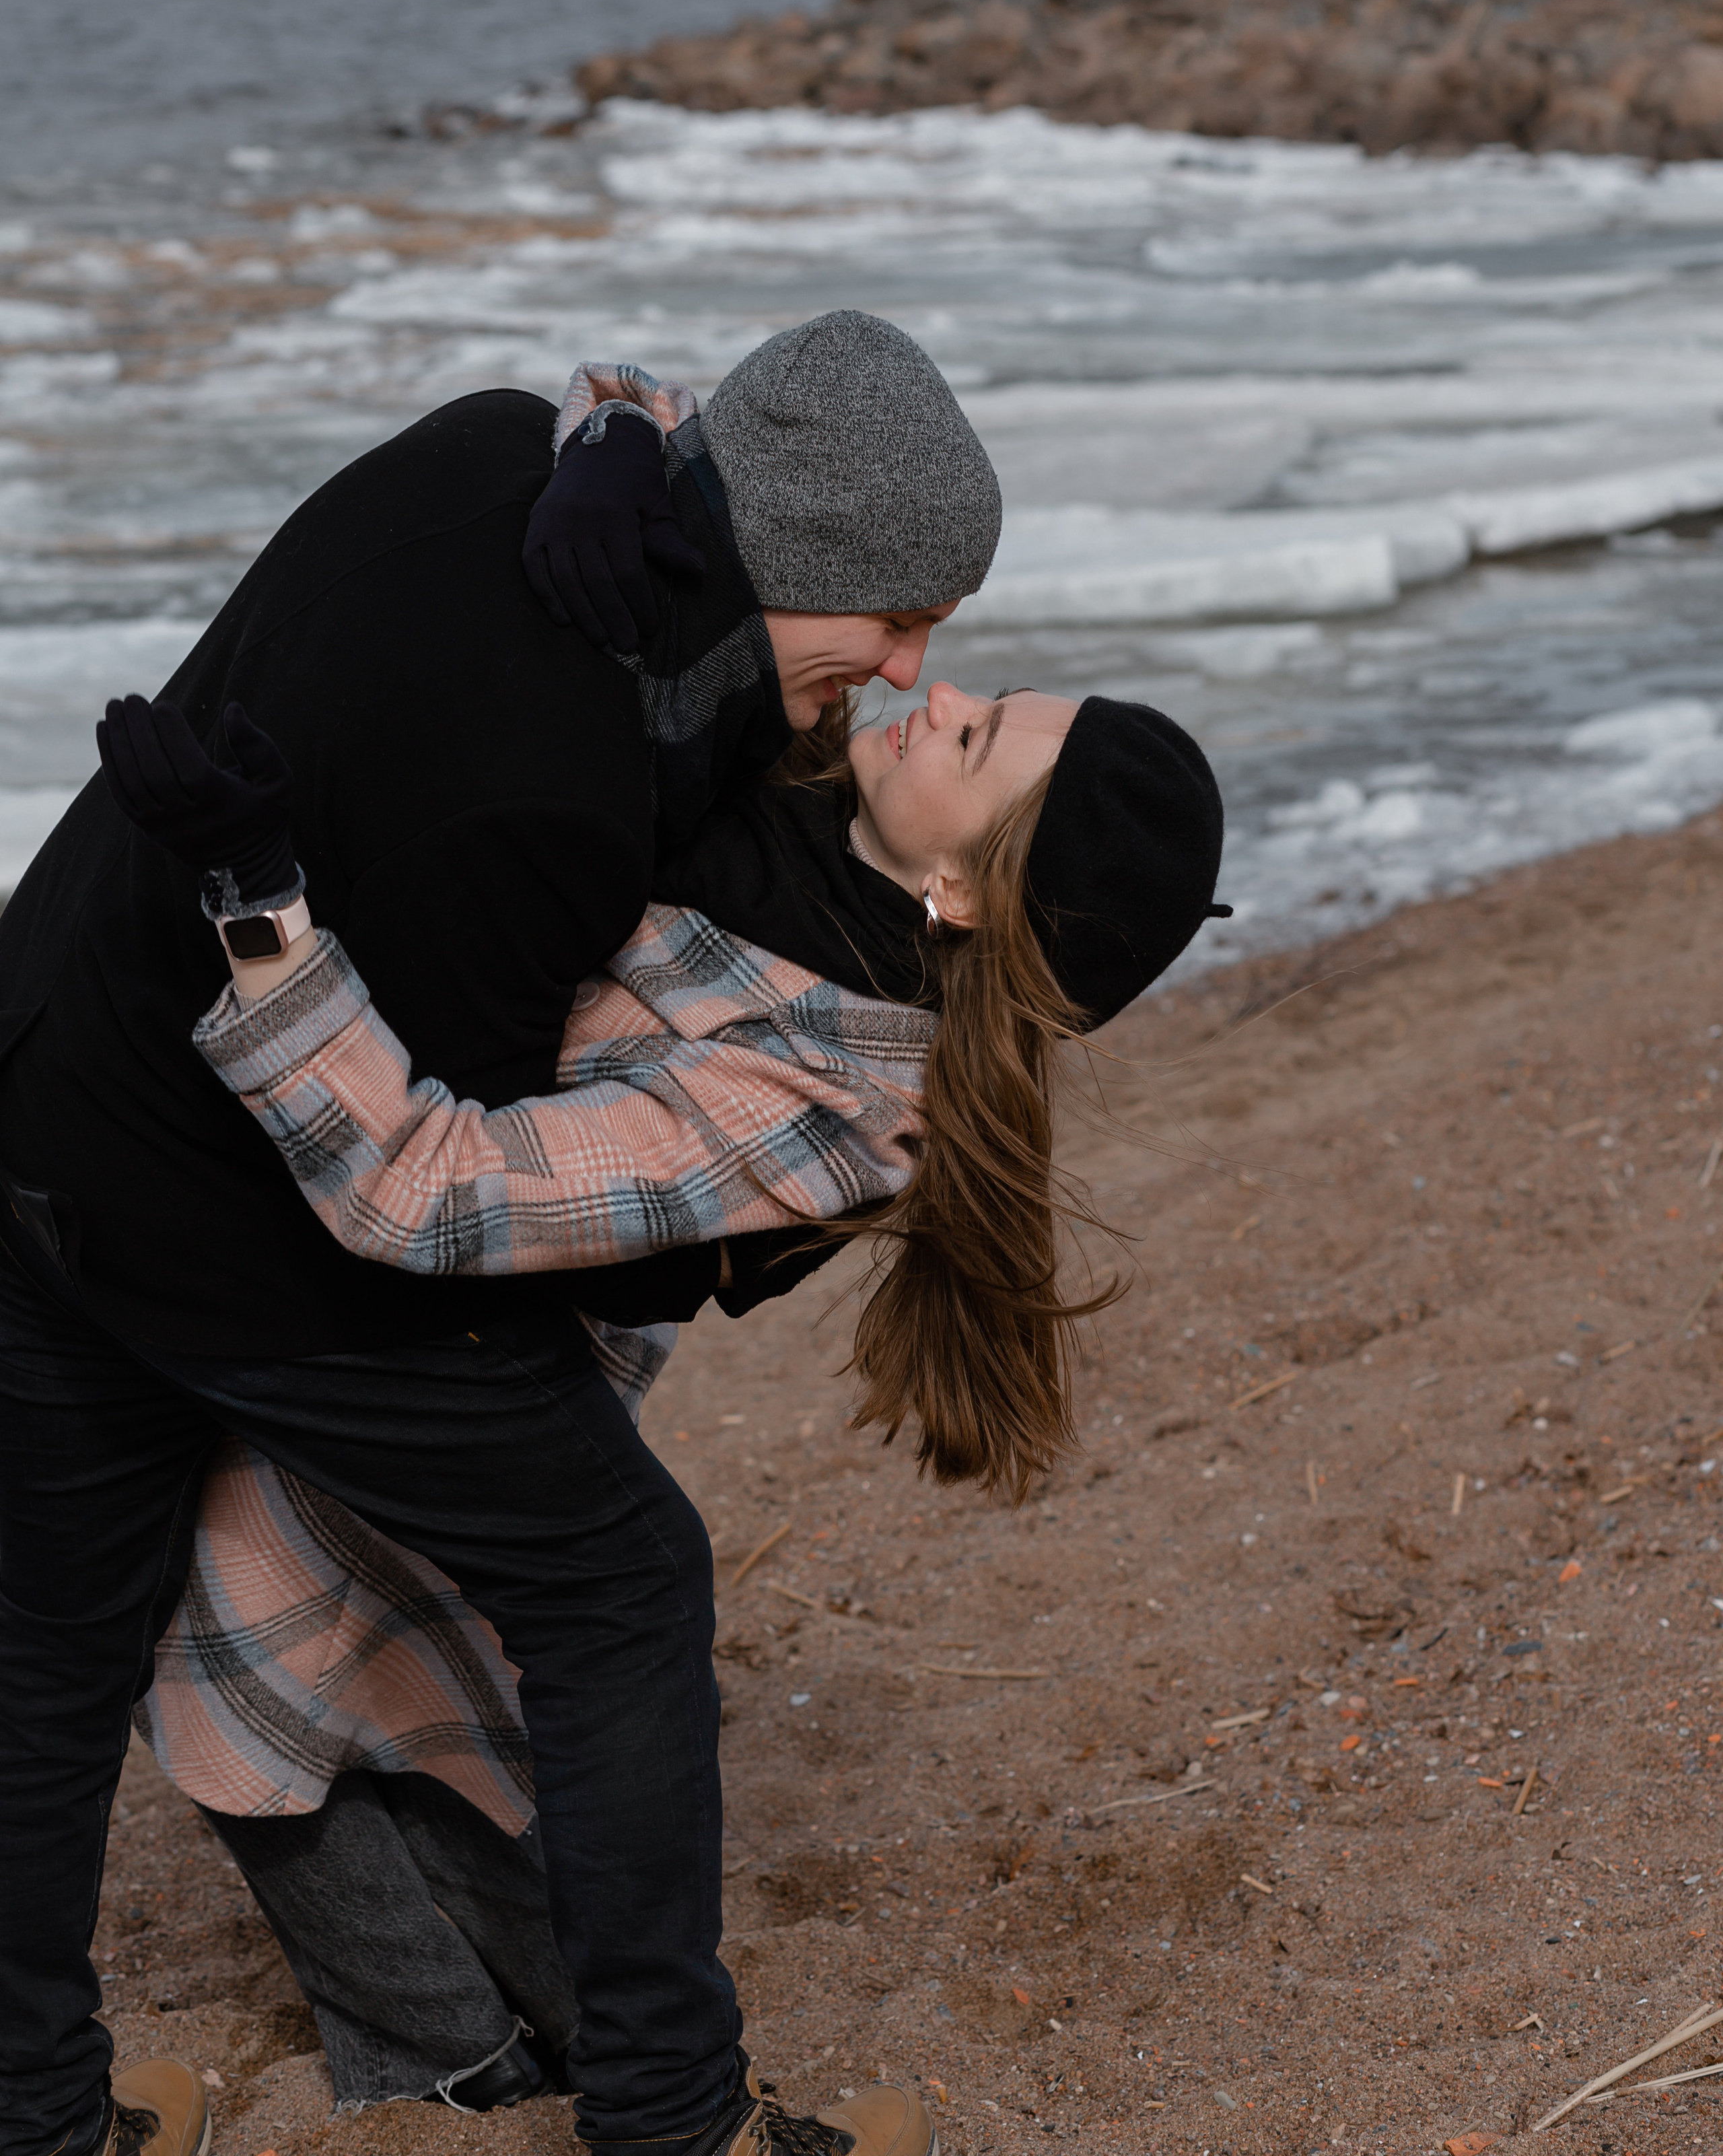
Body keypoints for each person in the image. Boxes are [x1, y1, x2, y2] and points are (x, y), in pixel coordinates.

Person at [0, 315, 1006, 2156]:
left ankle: (30, 2115)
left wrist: (606, 427)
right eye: (894, 616)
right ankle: (670, 2122)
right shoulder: (560, 778)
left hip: (38, 1072)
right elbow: (414, 1191)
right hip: (230, 1203)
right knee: (619, 1587)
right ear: (788, 555)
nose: (907, 667)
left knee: (43, 1648)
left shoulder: (496, 449)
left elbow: (636, 406)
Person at [106, 672, 1226, 2104]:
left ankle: (453, 2075)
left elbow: (426, 1191)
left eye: (972, 734)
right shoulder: (779, 800)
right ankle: (483, 2052)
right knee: (276, 1677)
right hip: (322, 1297)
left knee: (270, 1665)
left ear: (956, 891)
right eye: (987, 692)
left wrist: (261, 907)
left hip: (463, 1376)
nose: (934, 688)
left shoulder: (839, 1096)